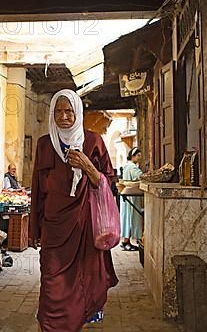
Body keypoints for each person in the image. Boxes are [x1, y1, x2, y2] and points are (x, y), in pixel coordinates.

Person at [29, 89, 118, 332]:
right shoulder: (45, 144)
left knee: (82, 284)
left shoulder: (93, 141)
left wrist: (88, 166)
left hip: (84, 229)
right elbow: (37, 188)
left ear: (78, 113)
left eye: (69, 111)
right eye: (58, 111)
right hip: (54, 228)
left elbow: (108, 184)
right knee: (51, 284)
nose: (64, 116)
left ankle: (76, 326)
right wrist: (34, 228)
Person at [120, 147, 144, 251]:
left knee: (126, 217)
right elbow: (141, 176)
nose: (140, 157)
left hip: (127, 194)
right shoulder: (132, 167)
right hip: (132, 195)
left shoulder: (126, 165)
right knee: (130, 217)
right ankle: (126, 242)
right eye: (138, 155)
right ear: (133, 156)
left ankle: (126, 241)